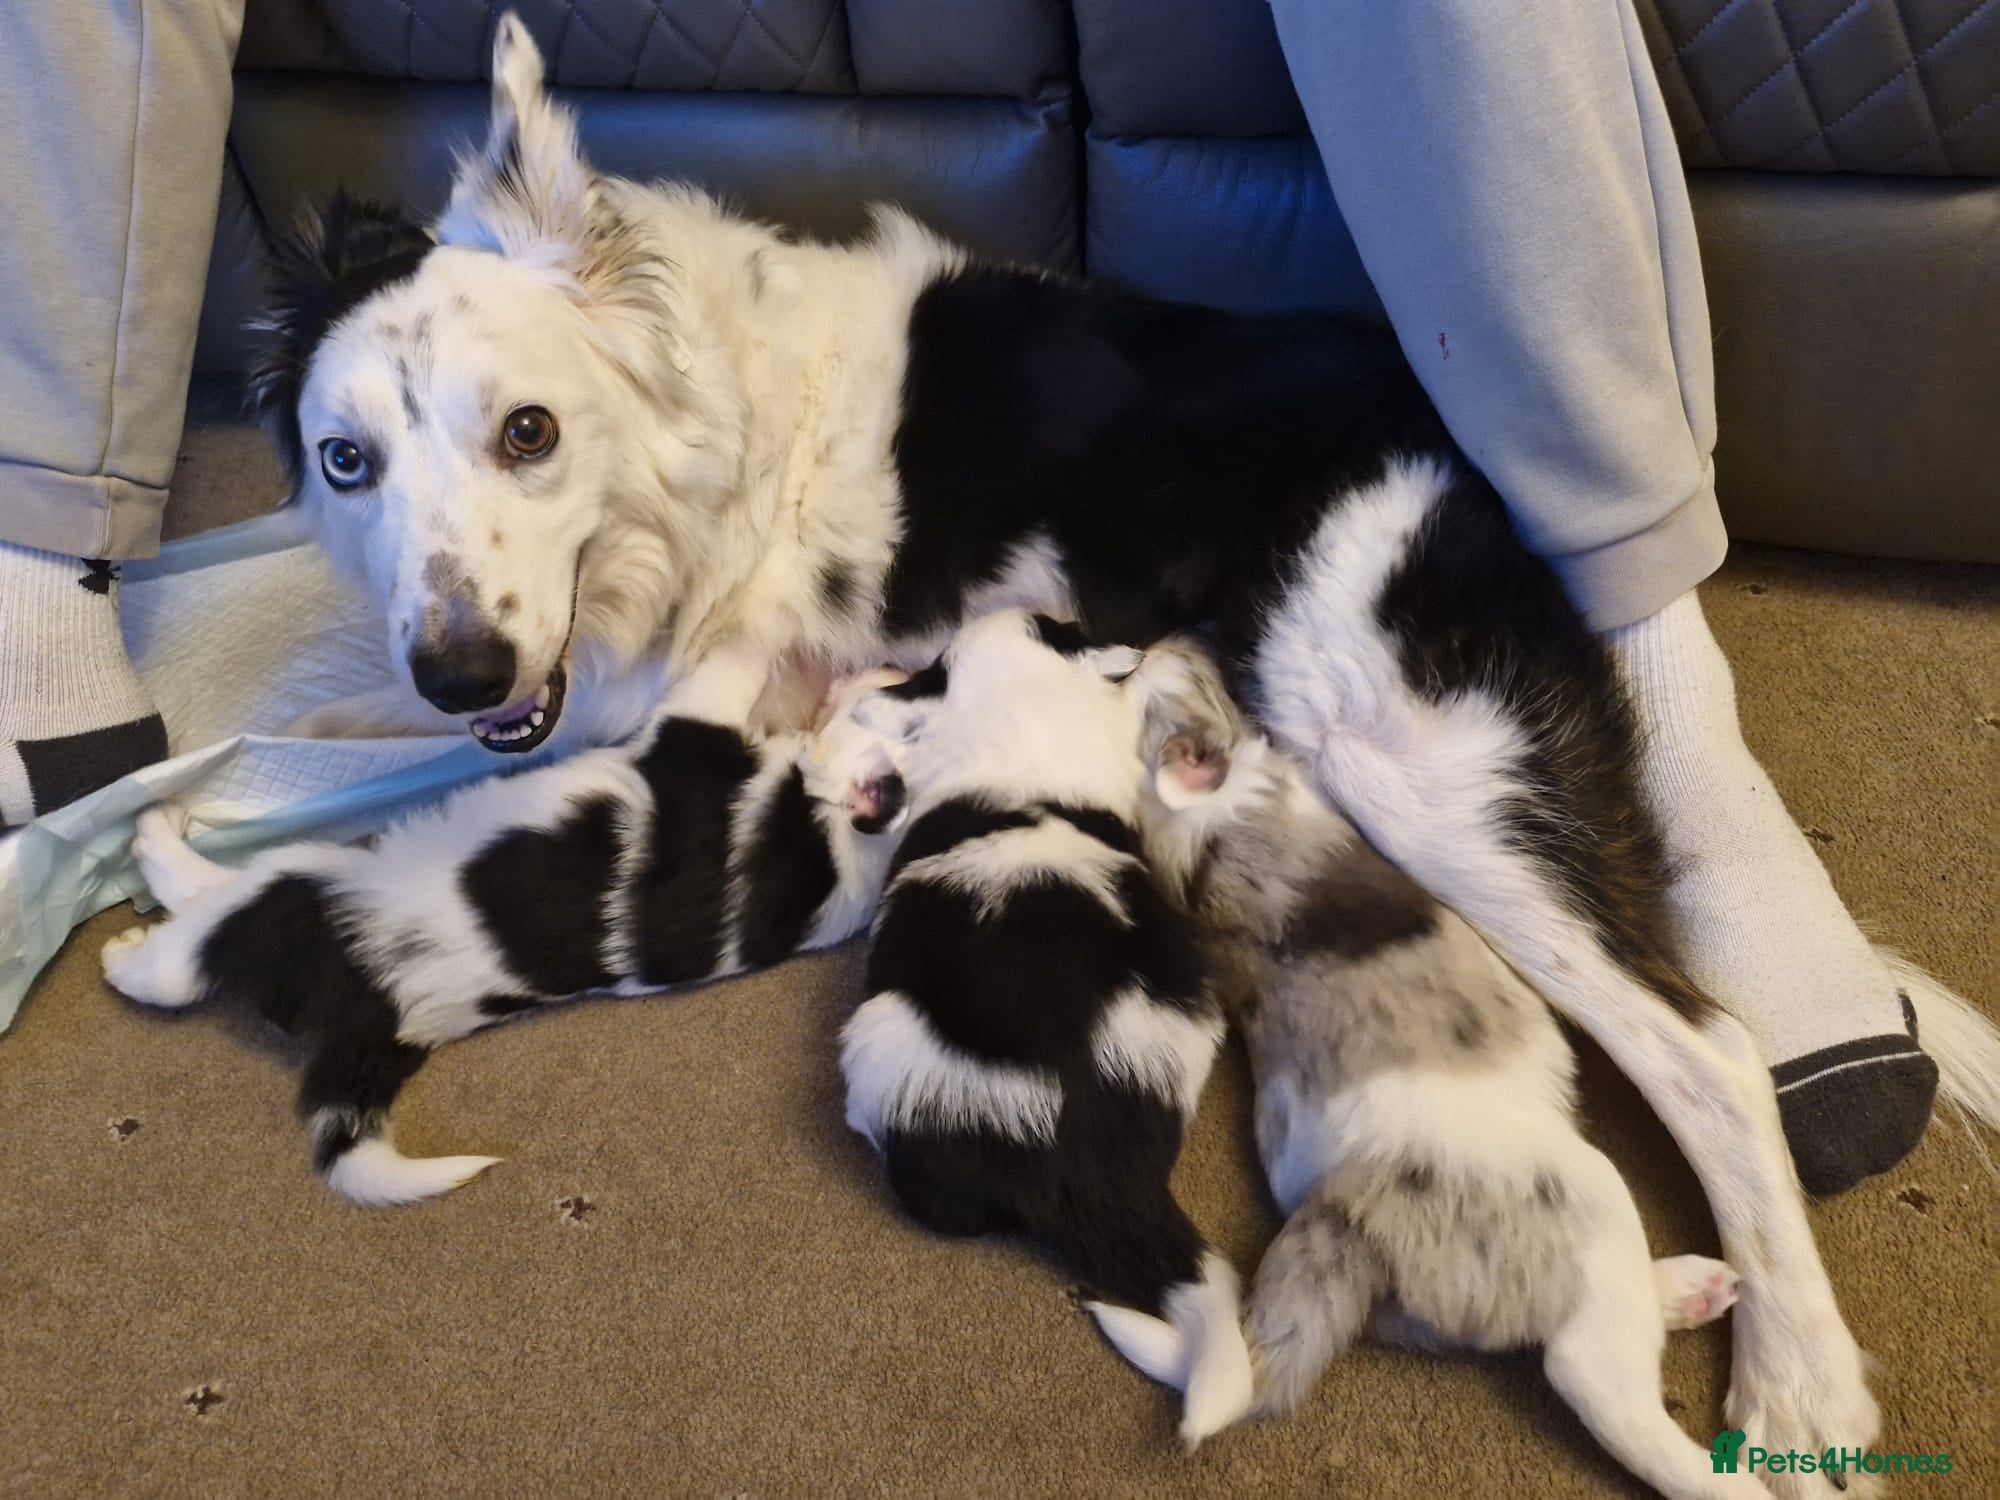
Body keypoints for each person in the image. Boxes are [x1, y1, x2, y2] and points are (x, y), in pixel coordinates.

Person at [0, 0, 1934, 1192]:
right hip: (1145, 563)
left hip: (1309, 490)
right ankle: (42, 565)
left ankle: (1683, 766)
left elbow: (631, 742)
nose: (449, 607)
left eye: (514, 445)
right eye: (348, 470)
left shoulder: (712, 405)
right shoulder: (682, 458)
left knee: (1504, 869)